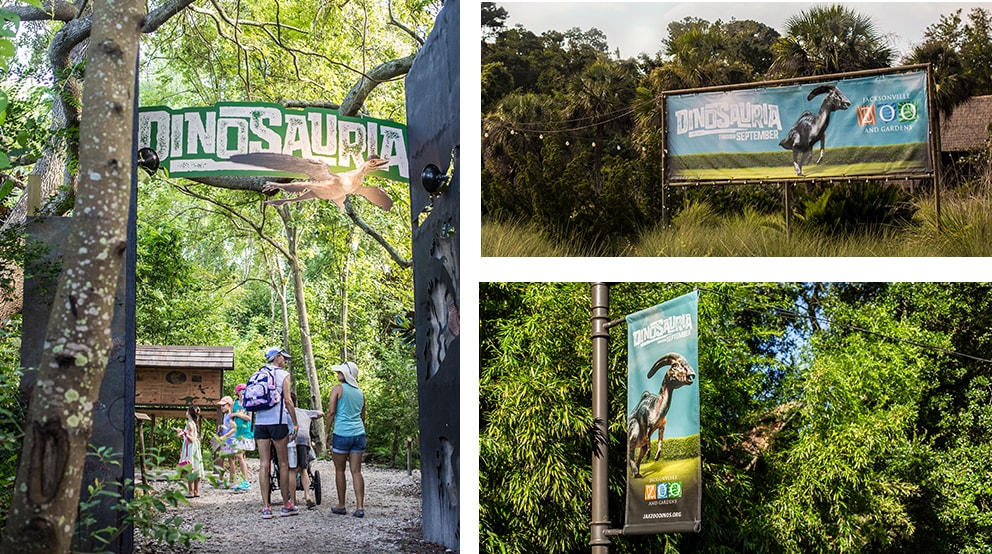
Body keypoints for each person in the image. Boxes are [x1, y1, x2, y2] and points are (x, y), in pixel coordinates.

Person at [253, 347, 301, 519]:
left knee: (264, 464)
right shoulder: (283, 375)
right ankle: (286, 505)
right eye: (284, 358)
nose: (285, 361)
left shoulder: (259, 373)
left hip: (260, 423)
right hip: (278, 422)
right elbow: (288, 400)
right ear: (278, 358)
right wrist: (295, 423)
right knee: (283, 464)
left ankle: (266, 507)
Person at [324, 361, 367, 518]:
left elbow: (331, 411)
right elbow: (363, 416)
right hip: (359, 434)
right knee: (356, 471)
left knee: (340, 470)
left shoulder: (338, 389)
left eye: (340, 372)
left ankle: (341, 505)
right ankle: (360, 506)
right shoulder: (360, 393)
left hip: (342, 433)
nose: (337, 374)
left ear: (347, 375)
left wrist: (327, 432)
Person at [288, 392, 323, 508]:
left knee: (292, 470)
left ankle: (293, 500)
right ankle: (307, 495)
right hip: (304, 440)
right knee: (303, 469)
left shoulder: (283, 413)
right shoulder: (304, 412)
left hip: (290, 441)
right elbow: (320, 414)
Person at [175, 404, 203, 498]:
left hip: (190, 448)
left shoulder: (190, 424)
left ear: (189, 413)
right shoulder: (194, 423)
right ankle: (196, 491)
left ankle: (191, 491)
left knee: (190, 467)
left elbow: (191, 438)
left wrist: (183, 433)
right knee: (196, 466)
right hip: (195, 447)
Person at [231, 383, 253, 491]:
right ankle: (244, 481)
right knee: (241, 457)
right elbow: (230, 416)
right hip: (237, 433)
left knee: (239, 456)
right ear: (237, 392)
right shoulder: (234, 404)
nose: (243, 392)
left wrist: (238, 415)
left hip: (246, 433)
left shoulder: (249, 404)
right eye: (241, 390)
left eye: (245, 390)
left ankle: (246, 482)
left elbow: (249, 418)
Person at [215, 396, 239, 489]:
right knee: (221, 459)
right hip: (225, 441)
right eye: (221, 406)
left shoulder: (231, 416)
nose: (222, 407)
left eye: (223, 405)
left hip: (230, 441)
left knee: (230, 460)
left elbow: (234, 428)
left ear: (229, 405)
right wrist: (222, 427)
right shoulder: (225, 416)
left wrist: (225, 436)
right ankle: (220, 479)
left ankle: (231, 481)